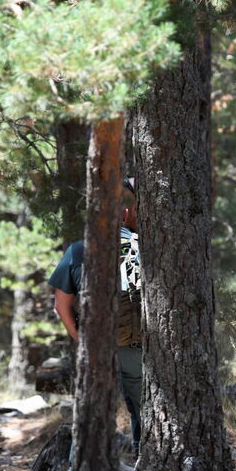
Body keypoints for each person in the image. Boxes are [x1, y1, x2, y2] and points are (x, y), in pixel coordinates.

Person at [48, 178, 143, 456]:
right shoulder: (142, 247)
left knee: (94, 414)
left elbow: (61, 305)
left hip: (98, 348)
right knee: (142, 410)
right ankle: (144, 469)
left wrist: (81, 340)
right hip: (132, 347)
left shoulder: (79, 250)